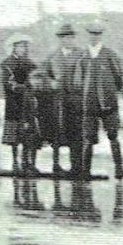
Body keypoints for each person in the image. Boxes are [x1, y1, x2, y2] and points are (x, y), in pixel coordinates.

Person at [67, 21, 123, 180]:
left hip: (109, 104)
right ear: (88, 36)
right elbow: (77, 82)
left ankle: (119, 168)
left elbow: (119, 77)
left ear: (101, 36)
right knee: (88, 138)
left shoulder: (109, 54)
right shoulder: (83, 57)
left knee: (113, 136)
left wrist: (112, 93)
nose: (94, 37)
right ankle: (86, 171)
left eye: (97, 35)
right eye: (91, 34)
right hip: (89, 105)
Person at [41, 23, 81, 175]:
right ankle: (56, 164)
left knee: (75, 133)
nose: (68, 41)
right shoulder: (53, 56)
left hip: (76, 99)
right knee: (57, 132)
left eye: (71, 38)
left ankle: (76, 166)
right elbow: (42, 73)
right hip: (58, 100)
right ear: (60, 39)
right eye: (64, 38)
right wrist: (50, 81)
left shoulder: (81, 55)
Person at [0, 33, 37, 173]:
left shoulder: (29, 63)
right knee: (14, 136)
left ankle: (26, 161)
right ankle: (15, 161)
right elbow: (8, 83)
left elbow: (35, 78)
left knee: (28, 134)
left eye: (24, 46)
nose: (22, 49)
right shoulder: (7, 64)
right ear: (13, 48)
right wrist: (22, 87)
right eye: (19, 46)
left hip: (27, 103)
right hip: (13, 103)